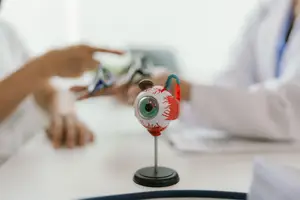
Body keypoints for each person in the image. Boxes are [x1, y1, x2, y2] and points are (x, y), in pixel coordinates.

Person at [73, 0, 300, 141]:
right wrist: (164, 93)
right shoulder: (270, 9)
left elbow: (288, 110)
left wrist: (185, 90)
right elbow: (232, 86)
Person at [0, 8, 122, 164]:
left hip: (30, 157)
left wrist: (63, 111)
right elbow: (36, 74)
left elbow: (44, 89)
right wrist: (44, 66)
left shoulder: (6, 32)